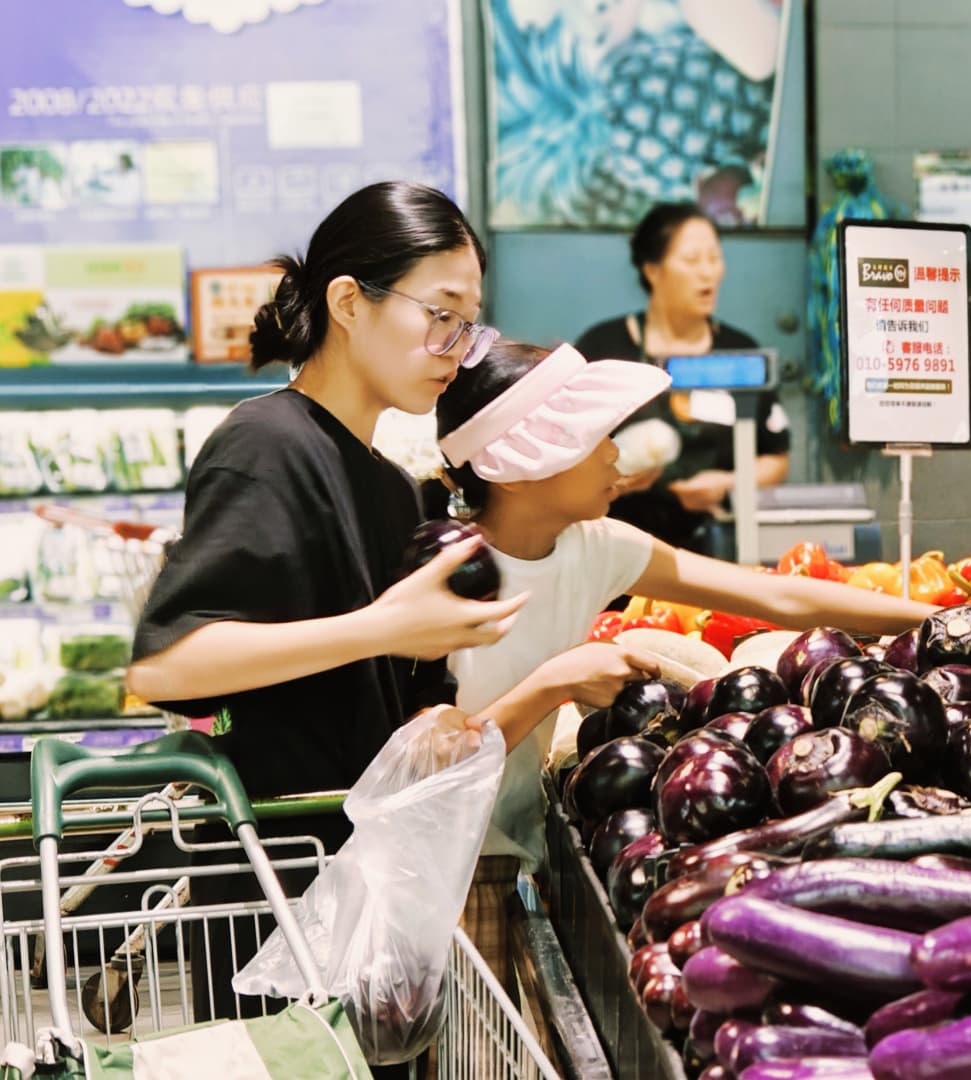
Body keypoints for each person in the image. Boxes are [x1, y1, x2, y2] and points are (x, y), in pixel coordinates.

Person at [127, 183, 657, 1050]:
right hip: (266, 899)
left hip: (355, 899)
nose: (456, 348)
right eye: (439, 316)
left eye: (468, 324)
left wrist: (438, 709)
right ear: (347, 302)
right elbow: (171, 662)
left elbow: (395, 691)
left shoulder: (387, 485)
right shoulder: (266, 446)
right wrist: (387, 628)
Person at [434, 336, 933, 983]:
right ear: (532, 460)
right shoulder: (441, 575)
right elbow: (425, 761)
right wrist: (554, 682)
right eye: (597, 439)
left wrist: (930, 619)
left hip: (523, 852)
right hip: (450, 875)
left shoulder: (595, 546)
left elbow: (772, 593)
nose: (617, 454)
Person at [576, 202, 791, 551]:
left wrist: (728, 483)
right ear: (652, 270)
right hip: (617, 546)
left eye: (714, 258)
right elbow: (567, 457)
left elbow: (776, 458)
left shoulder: (740, 351)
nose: (708, 272)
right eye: (692, 261)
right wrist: (616, 481)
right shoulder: (604, 347)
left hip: (719, 547)